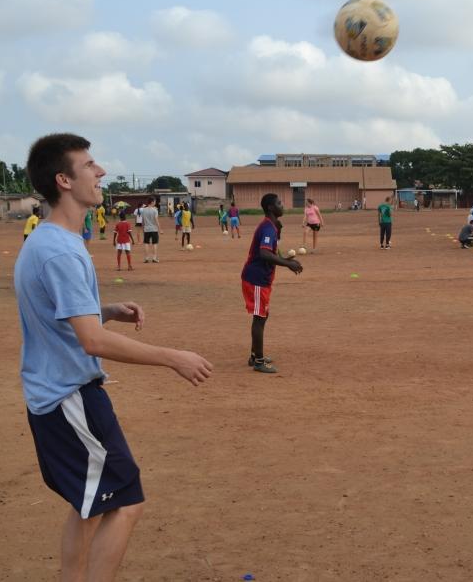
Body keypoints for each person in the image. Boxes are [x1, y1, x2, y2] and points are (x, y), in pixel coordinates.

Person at [15, 133, 212, 581]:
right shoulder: (60, 251)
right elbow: (93, 342)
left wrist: (104, 311)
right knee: (126, 503)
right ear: (64, 180)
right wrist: (172, 357)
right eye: (89, 165)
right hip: (70, 397)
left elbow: (58, 313)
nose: (101, 171)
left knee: (87, 506)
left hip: (55, 395)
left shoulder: (48, 241)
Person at [242, 193, 303, 373]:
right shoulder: (268, 227)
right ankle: (259, 361)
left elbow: (270, 253)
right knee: (259, 317)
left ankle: (255, 355)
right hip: (256, 279)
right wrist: (288, 264)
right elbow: (264, 254)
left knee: (261, 316)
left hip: (260, 278)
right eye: (279, 203)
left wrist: (285, 259)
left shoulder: (271, 226)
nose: (282, 205)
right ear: (270, 207)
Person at [140, 197, 161, 263]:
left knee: (146, 243)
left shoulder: (144, 210)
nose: (155, 203)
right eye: (154, 201)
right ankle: (154, 258)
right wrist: (160, 229)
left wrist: (143, 229)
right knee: (155, 243)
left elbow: (142, 221)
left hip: (146, 229)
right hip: (154, 229)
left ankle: (146, 258)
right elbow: (156, 220)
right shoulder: (155, 210)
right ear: (152, 202)